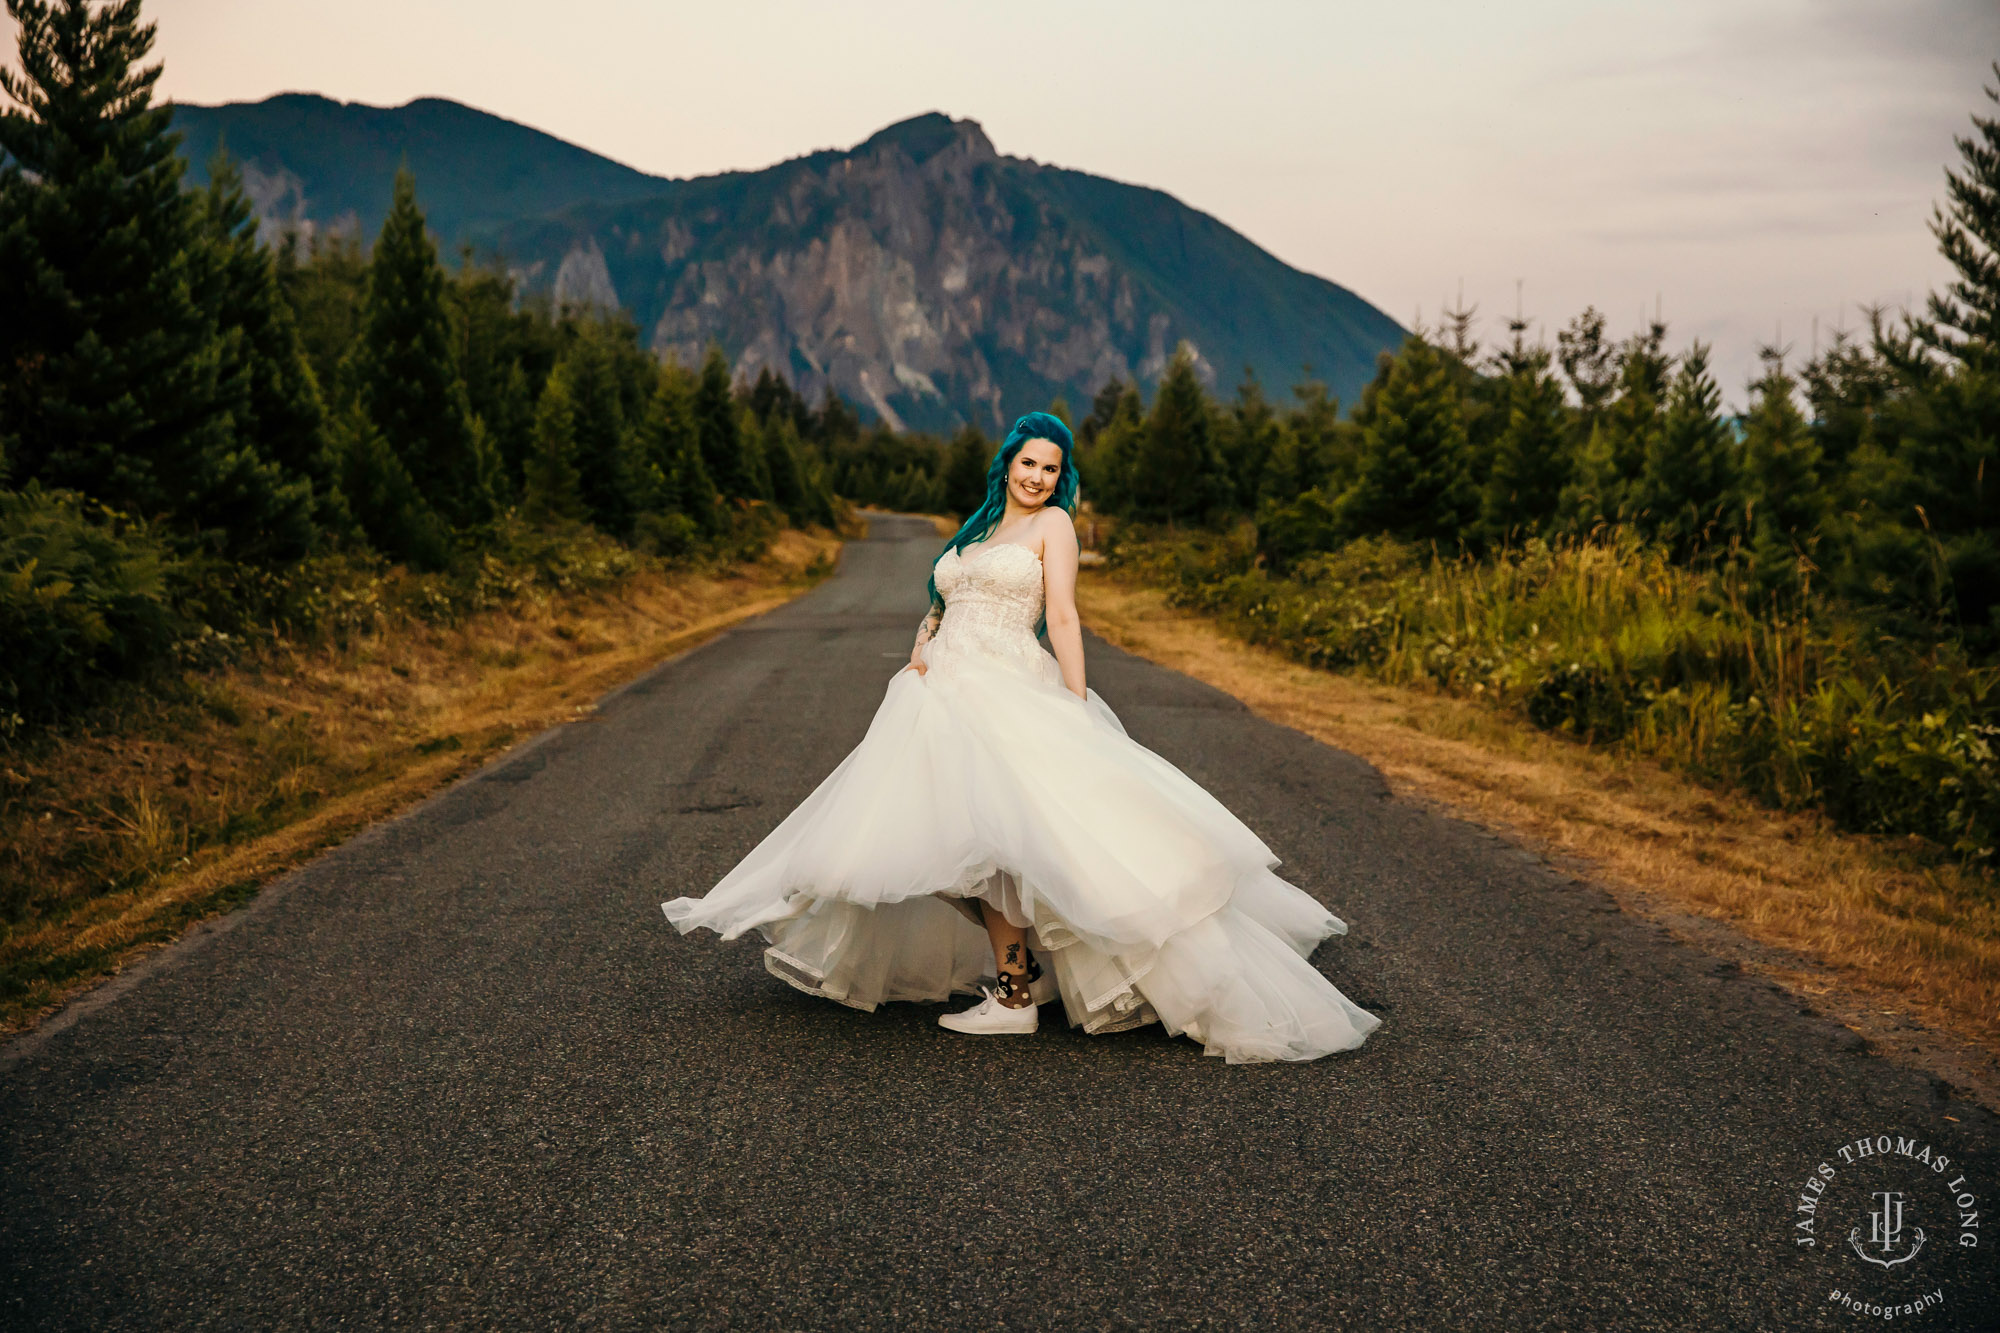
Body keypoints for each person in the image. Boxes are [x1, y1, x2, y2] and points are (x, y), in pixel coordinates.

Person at [661, 412, 1381, 1063]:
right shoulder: (978, 529)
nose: (1037, 477)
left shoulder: (1053, 528)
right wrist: (923, 638)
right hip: (940, 695)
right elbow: (946, 599)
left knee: (997, 848)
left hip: (1006, 691)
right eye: (1028, 462)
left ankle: (1012, 997)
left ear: (1060, 478)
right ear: (1007, 461)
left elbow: (1062, 617)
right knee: (929, 848)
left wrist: (1074, 704)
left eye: (1051, 468)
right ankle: (1026, 975)